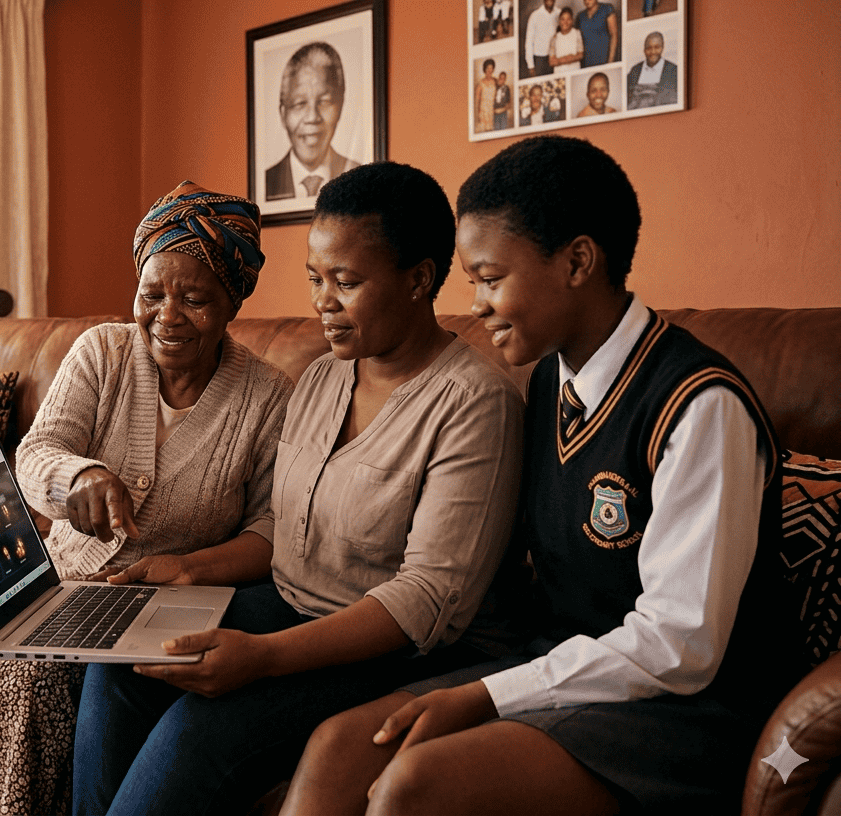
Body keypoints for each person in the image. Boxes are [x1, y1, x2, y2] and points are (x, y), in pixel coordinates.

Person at [279, 135, 802, 816]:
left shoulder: (699, 406)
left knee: (416, 783)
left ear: (577, 261)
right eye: (473, 283)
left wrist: (484, 695)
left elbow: (682, 646)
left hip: (689, 709)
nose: (477, 305)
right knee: (338, 745)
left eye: (491, 279)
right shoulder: (551, 378)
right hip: (560, 663)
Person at [72, 162, 525, 816]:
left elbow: (426, 601)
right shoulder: (320, 380)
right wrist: (188, 570)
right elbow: (284, 527)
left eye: (347, 281)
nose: (323, 302)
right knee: (118, 659)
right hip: (285, 606)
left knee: (193, 729)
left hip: (387, 650)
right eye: (315, 279)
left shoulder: (474, 405)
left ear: (419, 279)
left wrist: (262, 657)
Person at [0, 181, 294, 816]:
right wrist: (79, 478)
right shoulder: (104, 351)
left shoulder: (268, 398)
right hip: (58, 581)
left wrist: (188, 570)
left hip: (156, 607)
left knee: (33, 677)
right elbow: (37, 451)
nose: (167, 315)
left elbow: (270, 532)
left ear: (234, 302)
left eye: (195, 298)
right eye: (152, 294)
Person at [266, 42, 360, 202]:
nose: (312, 117)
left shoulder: (357, 179)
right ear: (283, 114)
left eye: (324, 101)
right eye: (299, 104)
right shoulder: (267, 181)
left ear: (340, 106)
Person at [627, 31, 679, 108]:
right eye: (649, 48)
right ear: (644, 50)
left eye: (657, 47)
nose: (653, 52)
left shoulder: (674, 70)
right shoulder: (635, 71)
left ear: (662, 47)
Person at [577, 0, 618, 67]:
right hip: (586, 63)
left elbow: (614, 35)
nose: (587, 1)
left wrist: (611, 61)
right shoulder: (580, 16)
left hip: (604, 59)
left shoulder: (607, 8)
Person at [523, 0, 558, 77]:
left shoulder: (559, 13)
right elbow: (529, 41)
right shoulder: (534, 15)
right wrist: (530, 65)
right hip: (539, 59)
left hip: (556, 57)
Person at [548, 8, 583, 74]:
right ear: (559, 21)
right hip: (559, 73)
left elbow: (580, 55)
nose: (565, 22)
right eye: (563, 19)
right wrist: (571, 57)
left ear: (572, 21)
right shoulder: (554, 38)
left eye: (568, 19)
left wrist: (559, 61)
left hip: (575, 72)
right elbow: (552, 62)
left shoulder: (577, 33)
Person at [474, 59, 498, 133]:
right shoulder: (481, 83)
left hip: (492, 109)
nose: (489, 70)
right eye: (488, 68)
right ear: (485, 69)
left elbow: (498, 96)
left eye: (491, 68)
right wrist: (477, 113)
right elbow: (477, 100)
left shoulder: (495, 81)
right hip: (483, 110)